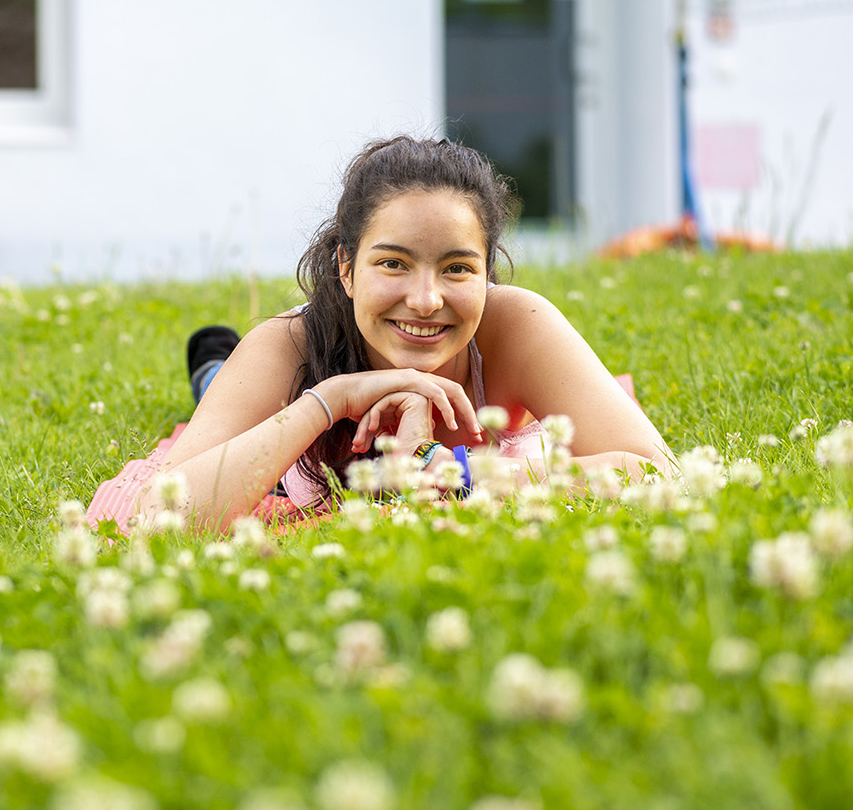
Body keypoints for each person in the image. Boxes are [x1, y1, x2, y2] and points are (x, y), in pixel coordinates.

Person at [89, 136, 673, 533]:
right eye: (393, 263)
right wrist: (333, 399)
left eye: (457, 268)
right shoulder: (286, 345)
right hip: (299, 389)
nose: (426, 299)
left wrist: (450, 471)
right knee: (220, 401)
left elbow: (662, 473)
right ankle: (213, 367)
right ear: (345, 268)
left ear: (487, 272)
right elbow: (159, 515)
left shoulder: (517, 323)